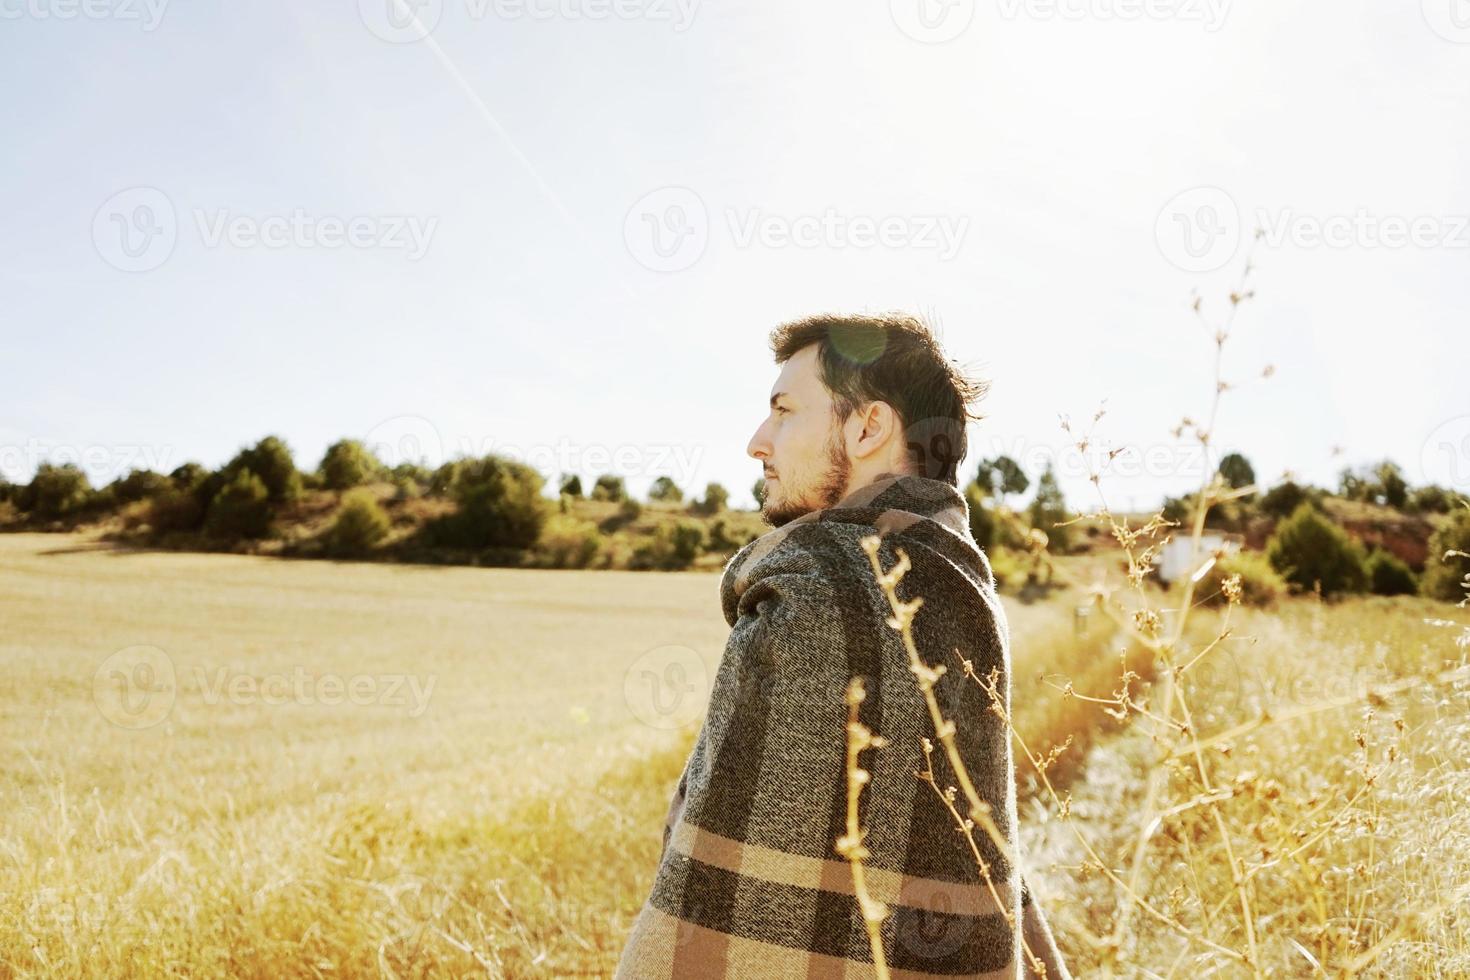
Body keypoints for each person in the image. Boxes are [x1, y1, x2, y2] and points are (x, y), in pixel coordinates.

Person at [615, 313, 1071, 979]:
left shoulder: (812, 591)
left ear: (868, 428)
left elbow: (711, 919)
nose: (757, 442)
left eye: (784, 411)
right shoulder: (965, 589)